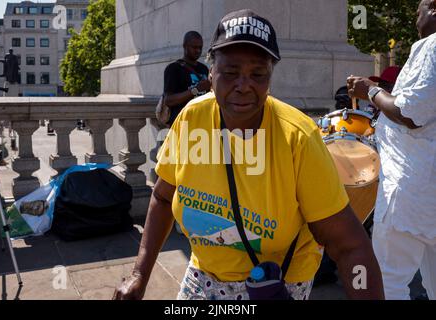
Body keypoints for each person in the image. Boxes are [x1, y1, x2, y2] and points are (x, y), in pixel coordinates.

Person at [114, 9, 384, 300]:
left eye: (258, 74)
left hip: (273, 289)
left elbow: (350, 247)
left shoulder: (299, 139)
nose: (243, 86)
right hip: (200, 280)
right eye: (230, 73)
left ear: (270, 77)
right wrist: (139, 275)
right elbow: (164, 196)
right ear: (211, 71)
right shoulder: (192, 118)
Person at [347, 0, 436, 300]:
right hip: (425, 194)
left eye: (418, 11)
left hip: (412, 191)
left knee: (387, 281)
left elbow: (410, 113)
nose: (415, 20)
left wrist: (369, 91)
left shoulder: (432, 45)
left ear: (434, 8)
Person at [163, 31, 211, 126]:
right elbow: (169, 100)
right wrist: (196, 89)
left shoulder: (204, 68)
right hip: (182, 123)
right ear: (185, 46)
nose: (198, 51)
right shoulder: (173, 68)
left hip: (203, 122)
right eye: (194, 47)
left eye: (200, 48)